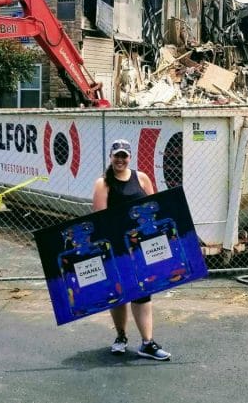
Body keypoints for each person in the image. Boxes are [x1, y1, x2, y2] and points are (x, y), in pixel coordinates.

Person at [91, 139, 171, 361]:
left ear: (130, 158)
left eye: (124, 155)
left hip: (141, 248)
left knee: (143, 293)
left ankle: (147, 342)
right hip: (117, 249)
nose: (120, 159)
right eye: (117, 155)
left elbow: (155, 209)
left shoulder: (142, 178)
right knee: (119, 294)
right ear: (111, 157)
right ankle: (121, 336)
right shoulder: (103, 183)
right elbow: (99, 218)